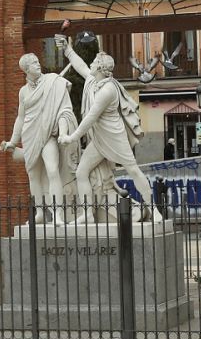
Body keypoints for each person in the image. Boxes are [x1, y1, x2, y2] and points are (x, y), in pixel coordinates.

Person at [58, 36, 154, 221]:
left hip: (114, 136)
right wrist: (68, 50)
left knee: (133, 170)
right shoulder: (94, 81)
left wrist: (72, 138)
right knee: (81, 172)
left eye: (94, 62)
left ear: (101, 69)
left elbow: (90, 118)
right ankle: (87, 214)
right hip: (100, 139)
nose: (91, 64)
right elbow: (81, 67)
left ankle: (154, 209)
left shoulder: (107, 90)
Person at [0, 52, 78, 222]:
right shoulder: (23, 91)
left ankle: (58, 212)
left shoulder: (52, 80)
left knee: (52, 170)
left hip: (48, 133)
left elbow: (63, 107)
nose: (38, 64)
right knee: (33, 176)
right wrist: (13, 141)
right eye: (34, 63)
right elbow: (21, 117)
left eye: (37, 61)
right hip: (30, 135)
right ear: (26, 70)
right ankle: (41, 213)